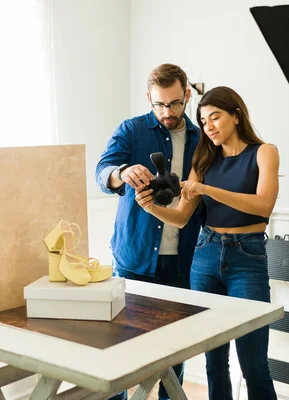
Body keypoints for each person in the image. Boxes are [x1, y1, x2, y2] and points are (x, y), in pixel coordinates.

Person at [134, 85, 279, 400]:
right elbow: (182, 217)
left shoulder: (264, 152)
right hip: (206, 256)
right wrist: (150, 207)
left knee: (254, 365)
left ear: (236, 116)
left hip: (247, 259)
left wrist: (208, 190)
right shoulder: (203, 159)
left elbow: (263, 205)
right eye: (203, 121)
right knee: (214, 362)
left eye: (216, 117)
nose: (209, 127)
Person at [96, 63, 204, 400]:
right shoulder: (131, 130)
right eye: (159, 104)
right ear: (149, 98)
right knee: (121, 349)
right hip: (134, 256)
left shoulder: (202, 139)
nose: (167, 112)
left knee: (174, 352)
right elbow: (102, 172)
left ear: (186, 95)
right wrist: (123, 172)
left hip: (182, 260)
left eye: (174, 103)